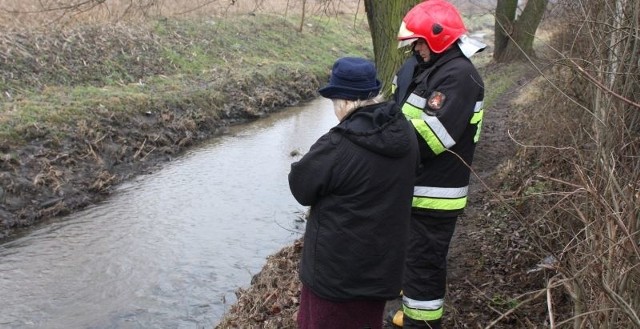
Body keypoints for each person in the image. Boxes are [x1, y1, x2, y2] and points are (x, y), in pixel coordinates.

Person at [288, 56, 419, 329]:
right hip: (382, 270)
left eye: (335, 103)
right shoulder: (404, 131)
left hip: (336, 277)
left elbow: (301, 186)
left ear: (345, 102)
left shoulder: (339, 144)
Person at [388, 1, 487, 328]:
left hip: (435, 196)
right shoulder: (419, 67)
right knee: (409, 260)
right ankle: (410, 311)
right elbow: (394, 110)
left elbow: (432, 138)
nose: (415, 48)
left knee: (423, 267)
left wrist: (378, 142)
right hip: (410, 189)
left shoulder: (460, 76)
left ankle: (422, 323)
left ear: (439, 39)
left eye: (419, 42)